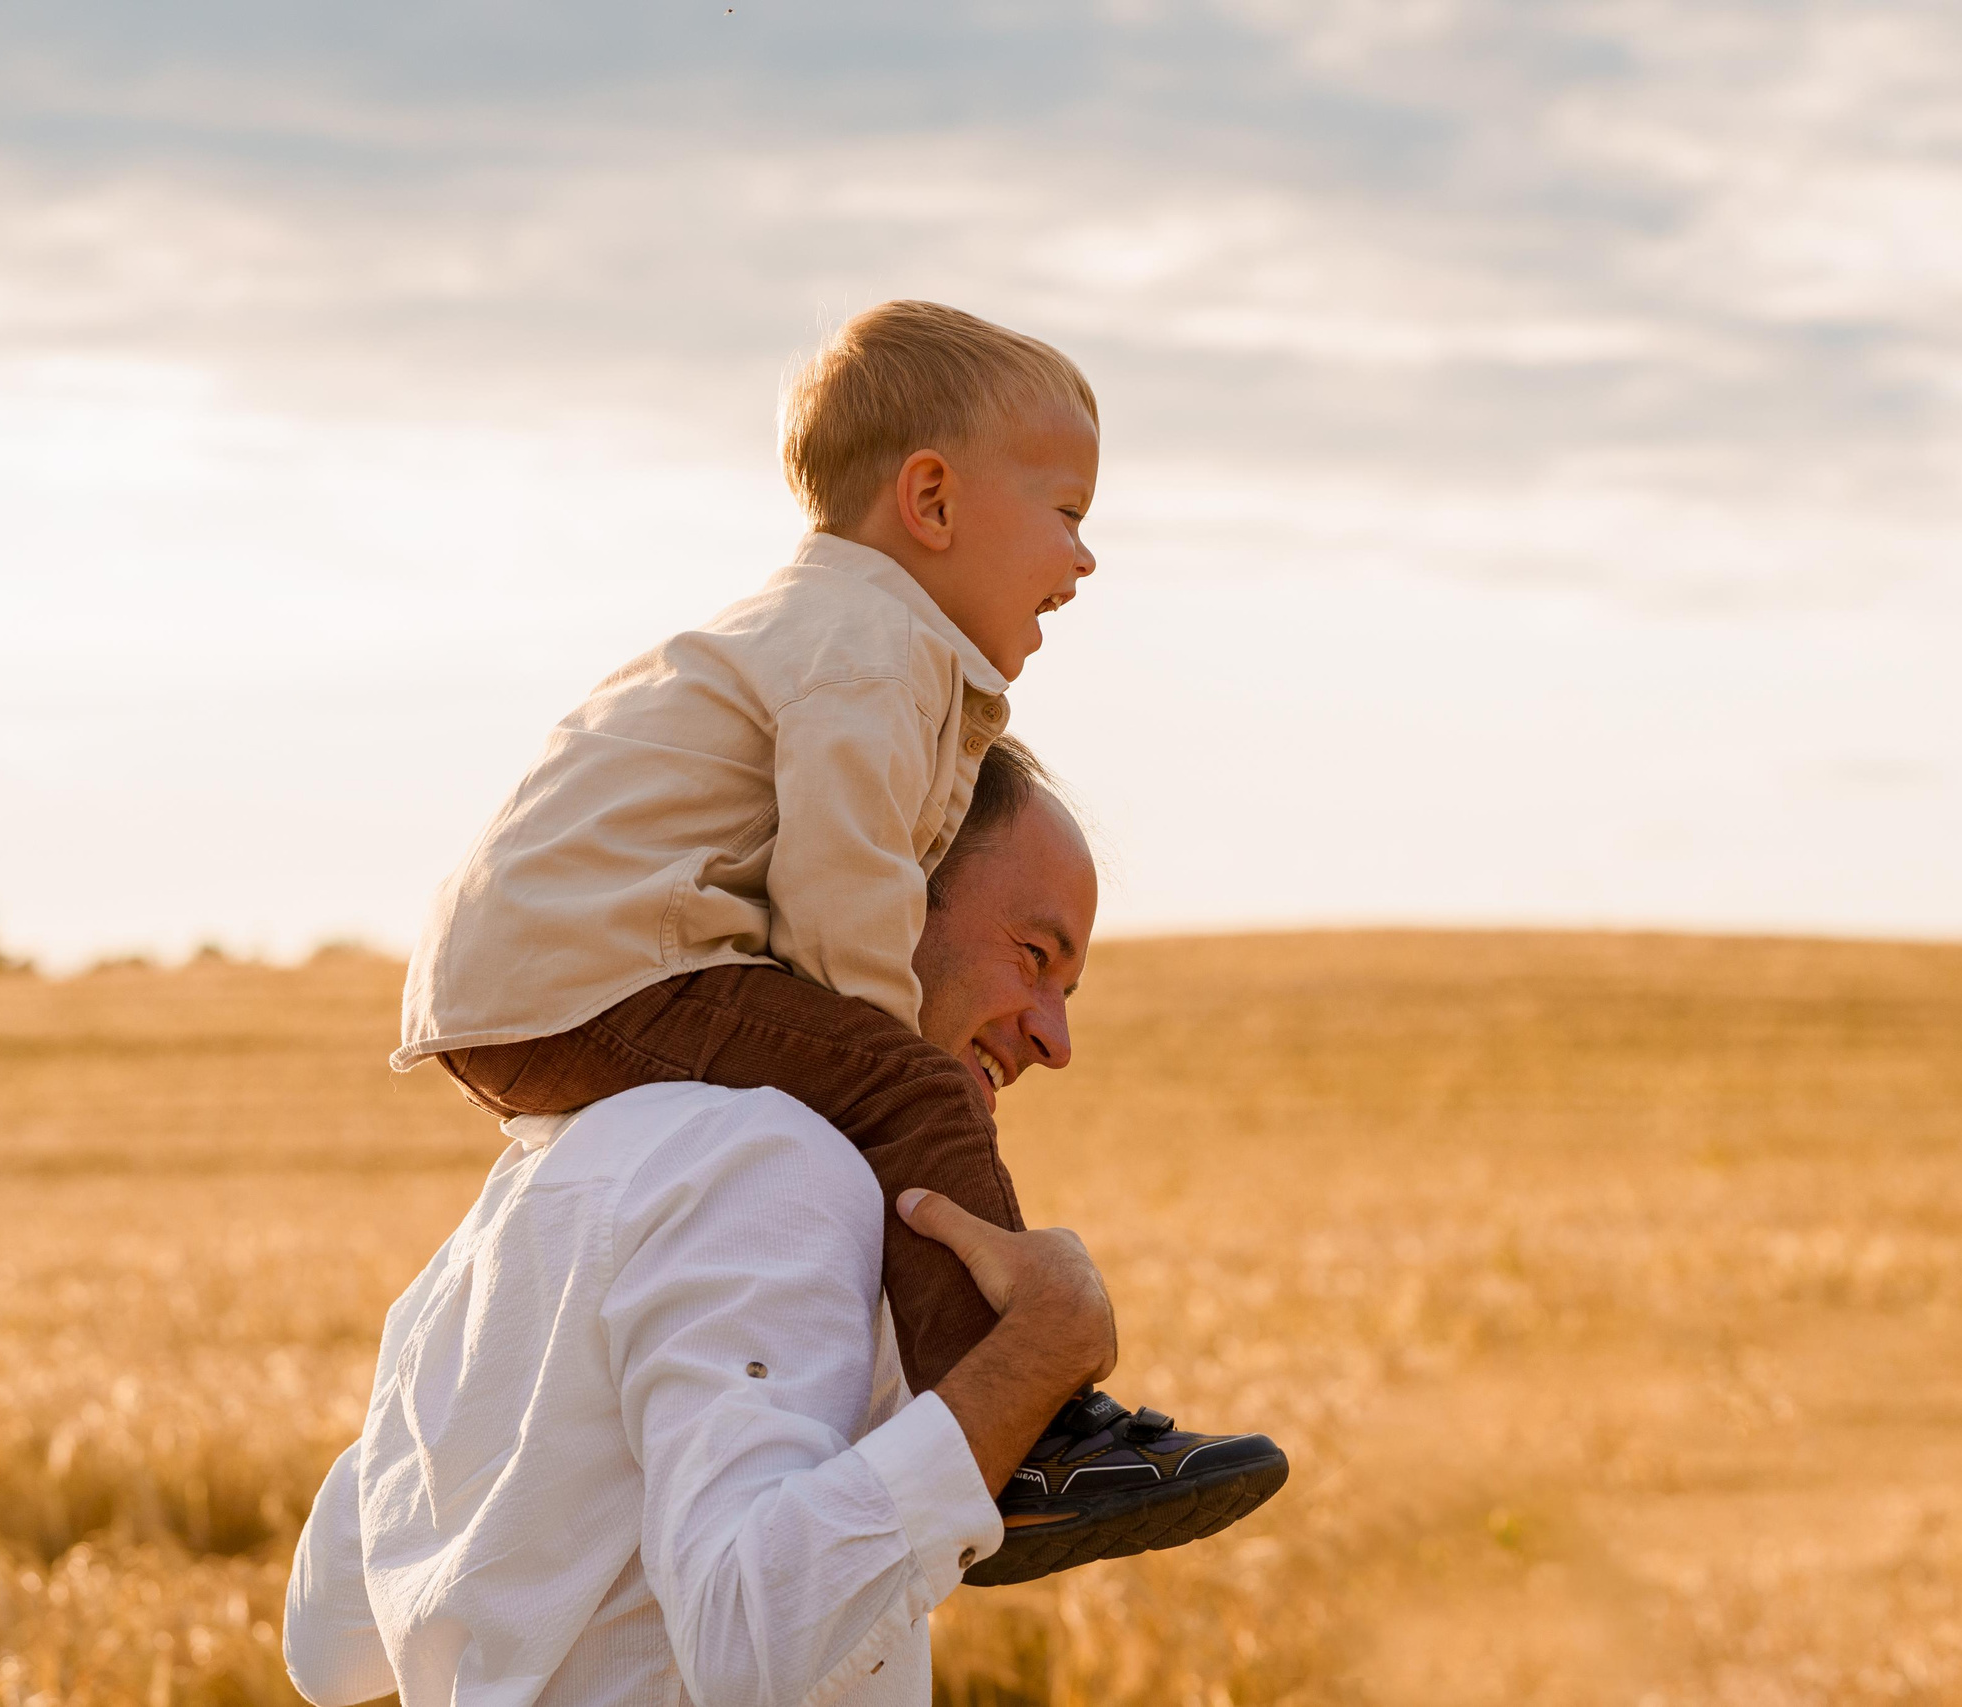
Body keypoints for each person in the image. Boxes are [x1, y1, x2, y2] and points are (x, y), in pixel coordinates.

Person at [390, 301, 1279, 1576]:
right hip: (599, 971)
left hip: (531, 981)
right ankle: (1019, 1438)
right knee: (899, 1084)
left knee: (880, 1089)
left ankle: (994, 1423)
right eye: (1069, 513)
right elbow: (844, 878)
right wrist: (888, 1076)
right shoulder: (874, 644)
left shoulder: (823, 629)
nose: (1085, 561)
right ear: (930, 499)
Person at [285, 758, 1286, 1706]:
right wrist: (1037, 1353)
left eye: (1065, 996)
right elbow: (748, 1642)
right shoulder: (773, 1162)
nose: (1054, 1040)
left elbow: (328, 1641)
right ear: (877, 891)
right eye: (1033, 959)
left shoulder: (526, 1195)